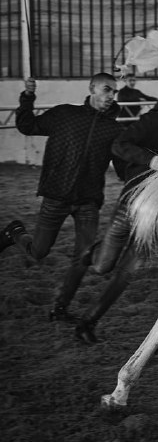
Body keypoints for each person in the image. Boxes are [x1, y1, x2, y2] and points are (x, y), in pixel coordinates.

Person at [74, 73, 158, 344]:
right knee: (102, 267)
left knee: (127, 272)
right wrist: (151, 160)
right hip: (132, 204)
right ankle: (93, 254)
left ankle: (88, 321)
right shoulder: (153, 120)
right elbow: (120, 145)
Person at [0, 74, 123, 322]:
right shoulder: (64, 114)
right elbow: (27, 126)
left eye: (114, 92)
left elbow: (123, 165)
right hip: (56, 196)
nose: (111, 96)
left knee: (83, 257)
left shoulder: (114, 129)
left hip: (88, 202)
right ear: (91, 89)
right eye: (107, 90)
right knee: (38, 252)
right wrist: (27, 97)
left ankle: (60, 308)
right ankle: (14, 232)